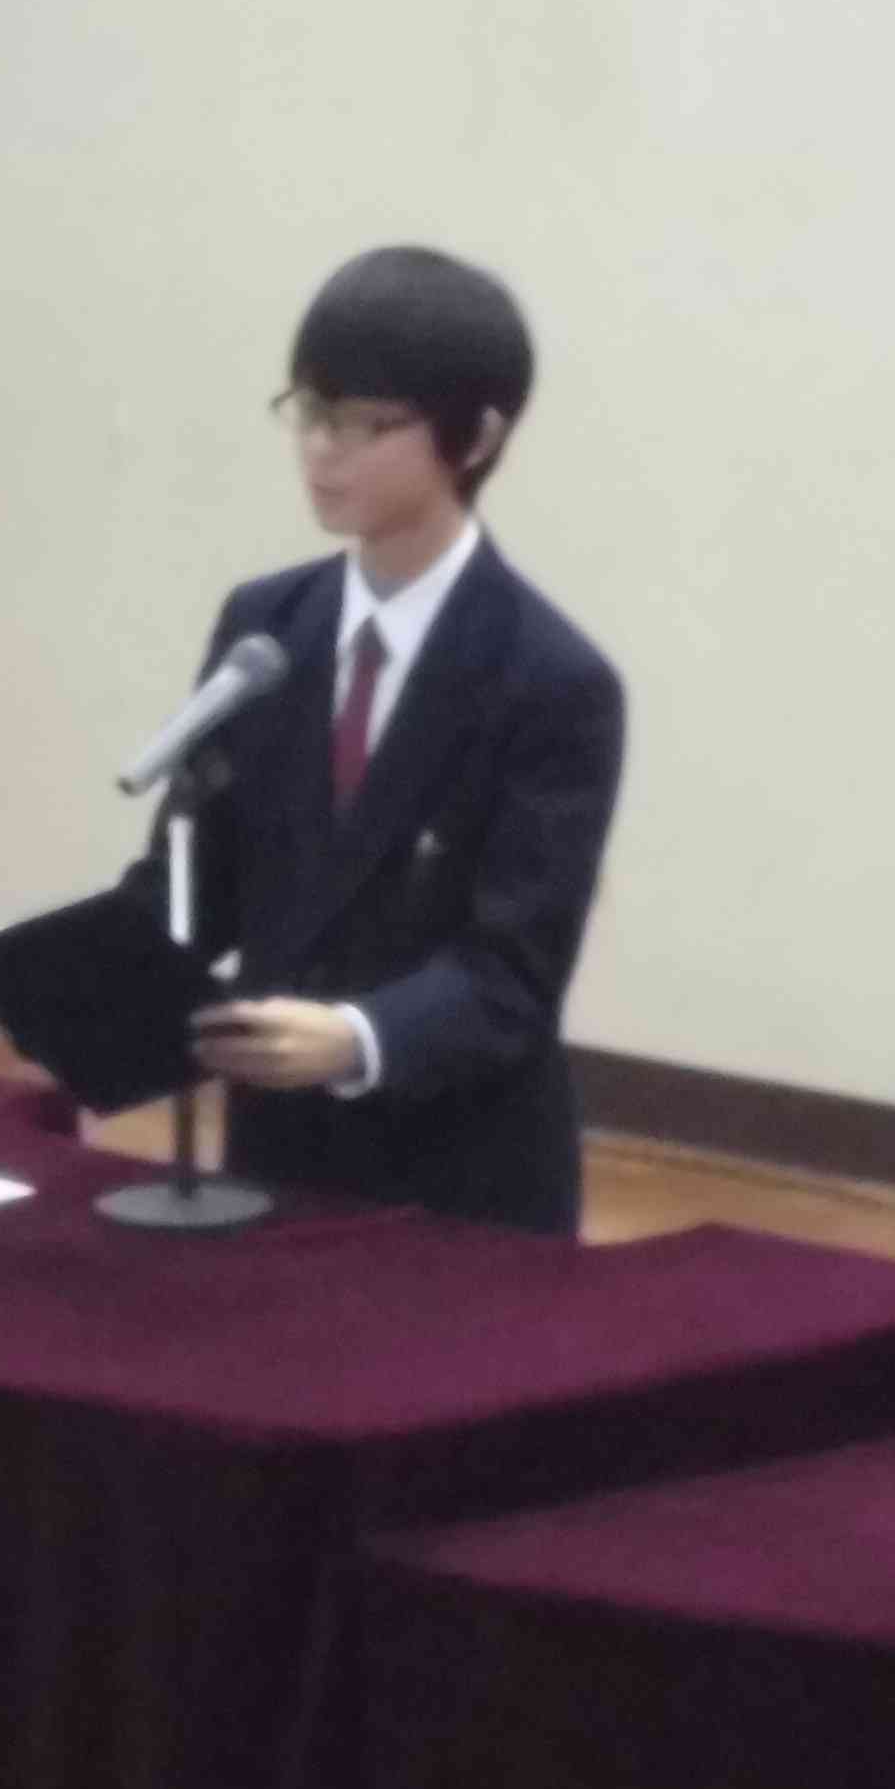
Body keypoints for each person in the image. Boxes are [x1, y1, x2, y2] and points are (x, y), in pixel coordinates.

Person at [133, 246, 624, 1236]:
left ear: (476, 437)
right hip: (276, 1150)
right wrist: (50, 980)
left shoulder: (552, 680)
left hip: (460, 1177)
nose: (323, 450)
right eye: (310, 412)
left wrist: (357, 1037)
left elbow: (513, 973)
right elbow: (194, 882)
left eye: (366, 424)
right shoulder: (266, 627)